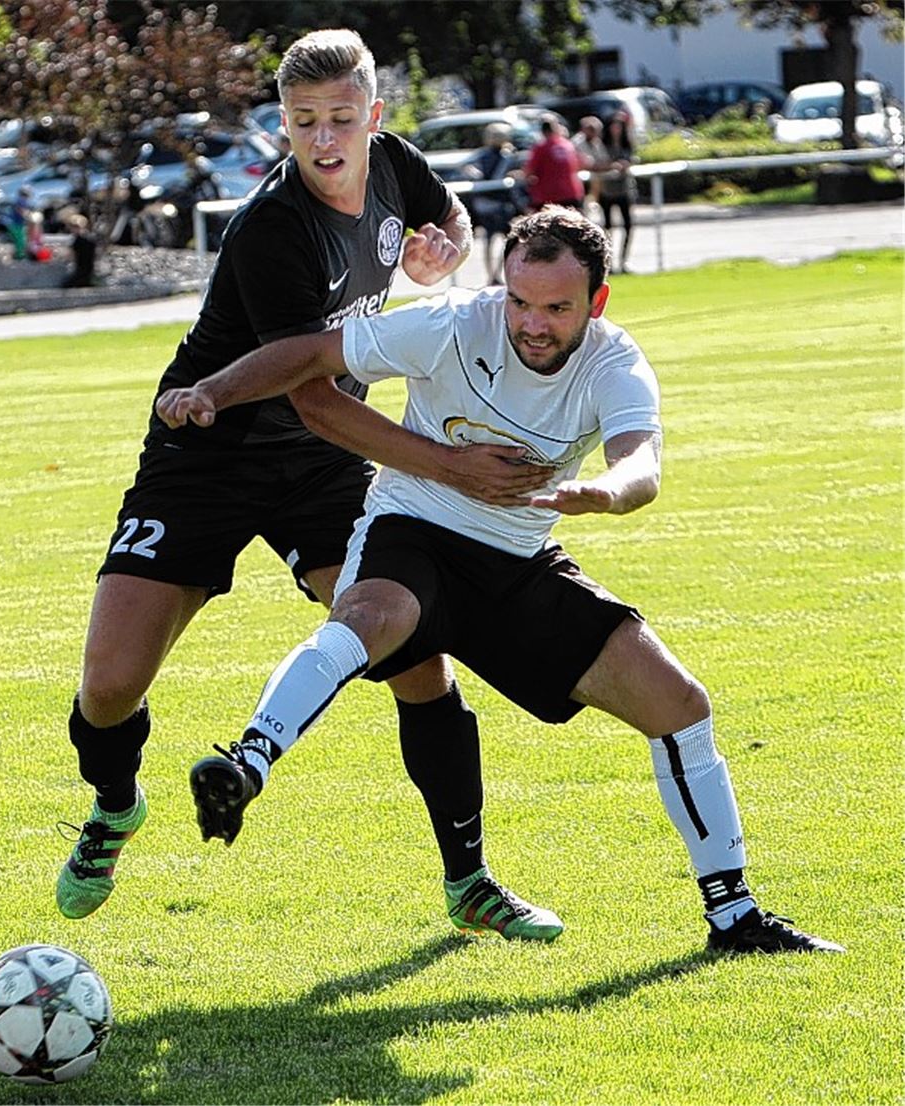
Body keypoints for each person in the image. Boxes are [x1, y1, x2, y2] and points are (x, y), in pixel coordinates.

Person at [157, 206, 845, 955]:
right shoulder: (454, 322)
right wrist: (214, 391)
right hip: (412, 530)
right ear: (502, 287)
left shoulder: (615, 362)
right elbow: (310, 355)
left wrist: (605, 492)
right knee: (369, 614)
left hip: (518, 561)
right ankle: (249, 762)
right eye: (520, 301)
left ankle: (733, 915)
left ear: (596, 303)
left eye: (557, 308)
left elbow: (642, 462)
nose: (534, 324)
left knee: (680, 706)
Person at [55, 28, 547, 929]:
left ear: (374, 117)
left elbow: (453, 219)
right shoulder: (274, 230)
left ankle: (469, 883)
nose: (325, 140)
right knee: (111, 684)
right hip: (205, 449)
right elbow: (315, 396)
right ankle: (116, 805)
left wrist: (442, 248)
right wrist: (448, 471)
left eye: (341, 119)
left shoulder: (395, 164)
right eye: (304, 122)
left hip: (318, 469)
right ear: (282, 123)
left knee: (413, 655)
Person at [468, 122, 520, 285]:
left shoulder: (480, 156)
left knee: (489, 242)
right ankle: (497, 274)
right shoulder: (507, 156)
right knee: (507, 242)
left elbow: (469, 169)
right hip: (500, 205)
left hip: (483, 204)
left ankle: (492, 275)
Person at [523, 115, 584, 214]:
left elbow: (529, 171)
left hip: (548, 196)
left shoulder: (541, 148)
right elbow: (579, 164)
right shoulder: (568, 145)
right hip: (572, 192)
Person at [601, 111, 638, 273]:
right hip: (607, 190)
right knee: (607, 227)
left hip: (624, 189)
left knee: (628, 225)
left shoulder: (626, 145)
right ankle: (608, 263)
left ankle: (623, 261)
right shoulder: (602, 145)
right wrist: (610, 166)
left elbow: (632, 158)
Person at [571, 115, 608, 216]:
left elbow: (603, 159)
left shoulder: (597, 142)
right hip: (581, 183)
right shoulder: (576, 143)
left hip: (594, 181)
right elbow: (584, 163)